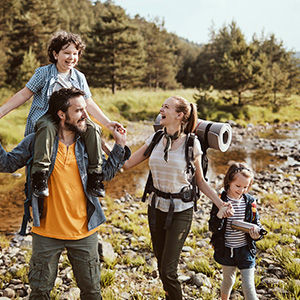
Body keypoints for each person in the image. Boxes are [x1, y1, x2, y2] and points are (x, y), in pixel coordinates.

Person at [0, 87, 131, 300]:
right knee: (40, 292)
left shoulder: (89, 143)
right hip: (46, 233)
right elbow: (6, 164)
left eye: (85, 109)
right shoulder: (36, 141)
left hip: (84, 233)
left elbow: (105, 174)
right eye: (79, 110)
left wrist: (120, 145)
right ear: (61, 114)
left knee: (92, 292)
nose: (86, 115)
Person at [123, 95, 234, 300]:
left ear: (179, 115)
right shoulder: (155, 139)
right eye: (162, 106)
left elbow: (200, 181)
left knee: (168, 270)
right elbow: (127, 164)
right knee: (161, 263)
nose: (160, 109)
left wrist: (220, 203)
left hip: (181, 212)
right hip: (155, 208)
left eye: (166, 107)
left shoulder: (192, 144)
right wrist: (108, 145)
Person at [0, 30, 124, 198]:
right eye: (66, 52)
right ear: (55, 53)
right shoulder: (43, 73)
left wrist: (107, 122)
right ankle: (40, 175)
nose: (71, 57)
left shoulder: (79, 77)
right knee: (47, 126)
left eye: (75, 53)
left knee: (93, 128)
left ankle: (95, 176)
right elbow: (23, 94)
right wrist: (1, 112)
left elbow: (88, 102)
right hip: (48, 116)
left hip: (73, 119)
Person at [209, 162, 264, 300]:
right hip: (227, 250)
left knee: (249, 286)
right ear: (229, 182)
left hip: (245, 250)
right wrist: (220, 215)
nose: (241, 190)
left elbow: (256, 222)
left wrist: (257, 234)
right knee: (228, 281)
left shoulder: (250, 201)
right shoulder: (220, 200)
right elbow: (213, 228)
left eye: (245, 187)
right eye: (237, 186)